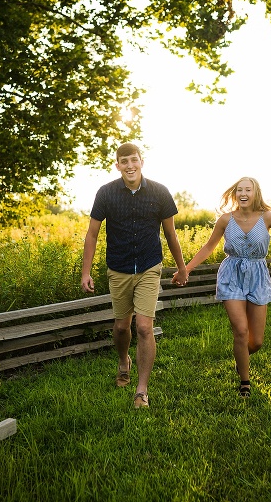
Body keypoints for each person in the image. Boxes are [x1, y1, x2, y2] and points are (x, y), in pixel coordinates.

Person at [171, 176, 271, 398]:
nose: (243, 193)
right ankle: (245, 382)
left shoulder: (268, 218)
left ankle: (241, 360)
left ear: (256, 194)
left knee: (257, 342)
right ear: (235, 194)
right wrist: (185, 269)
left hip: (258, 276)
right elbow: (208, 247)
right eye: (239, 190)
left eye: (248, 189)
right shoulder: (226, 220)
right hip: (231, 275)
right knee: (241, 332)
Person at [81, 142, 188, 409]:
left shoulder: (160, 192)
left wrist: (182, 266)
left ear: (142, 162)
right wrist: (86, 272)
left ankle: (141, 390)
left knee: (143, 327)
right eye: (124, 161)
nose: (130, 165)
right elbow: (92, 234)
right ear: (117, 165)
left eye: (134, 160)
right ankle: (122, 360)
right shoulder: (105, 194)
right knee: (120, 327)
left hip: (150, 267)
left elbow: (171, 234)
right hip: (118, 268)